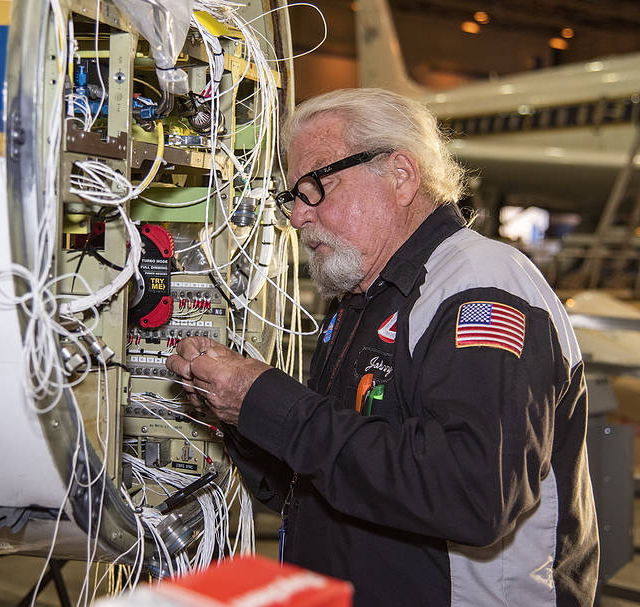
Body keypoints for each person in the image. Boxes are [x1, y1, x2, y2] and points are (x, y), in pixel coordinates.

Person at [165, 88, 598, 606]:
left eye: (315, 185)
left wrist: (272, 403)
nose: (298, 217)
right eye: (292, 196)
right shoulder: (361, 301)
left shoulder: (478, 286)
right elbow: (341, 476)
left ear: (400, 175)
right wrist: (241, 415)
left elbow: (475, 493)